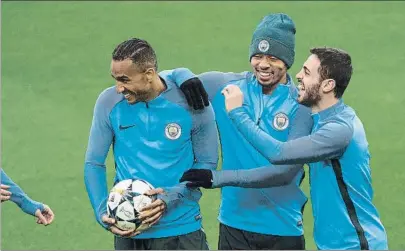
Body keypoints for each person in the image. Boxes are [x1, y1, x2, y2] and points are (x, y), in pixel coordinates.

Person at [181, 47, 389, 250]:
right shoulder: (322, 120)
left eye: (307, 72)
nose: (298, 75)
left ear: (327, 85)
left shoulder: (338, 130)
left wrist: (237, 112)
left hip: (356, 242)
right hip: (334, 243)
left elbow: (279, 154)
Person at [162, 13, 313, 250]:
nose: (263, 64)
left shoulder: (301, 105)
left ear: (287, 61)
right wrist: (183, 75)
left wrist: (216, 178)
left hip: (282, 228)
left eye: (273, 57)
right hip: (233, 225)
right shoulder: (226, 86)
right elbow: (160, 83)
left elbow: (284, 172)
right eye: (258, 55)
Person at [84, 38, 218, 250]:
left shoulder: (191, 103)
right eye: (115, 79)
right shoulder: (108, 103)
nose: (119, 88)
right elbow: (94, 163)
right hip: (129, 231)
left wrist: (169, 198)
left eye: (125, 80)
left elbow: (206, 163)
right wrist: (103, 211)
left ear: (149, 74)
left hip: (180, 230)